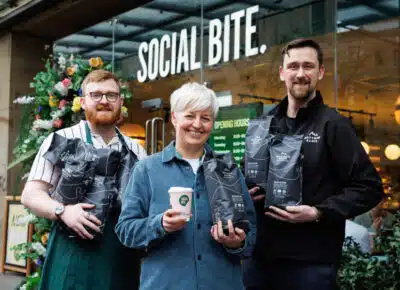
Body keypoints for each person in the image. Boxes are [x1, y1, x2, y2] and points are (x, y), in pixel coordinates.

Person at [243, 38, 383, 290]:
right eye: (293, 66)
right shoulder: (263, 125)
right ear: (281, 73)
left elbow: (369, 187)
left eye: (308, 66)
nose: (300, 74)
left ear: (320, 72)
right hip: (259, 261)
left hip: (311, 265)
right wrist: (244, 191)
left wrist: (319, 211)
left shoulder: (334, 125)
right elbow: (249, 176)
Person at [115, 82, 257, 290]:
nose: (197, 124)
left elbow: (251, 232)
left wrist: (237, 242)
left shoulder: (227, 169)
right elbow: (125, 230)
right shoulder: (147, 170)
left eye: (205, 118)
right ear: (174, 117)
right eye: (190, 116)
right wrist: (159, 224)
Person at [21, 69, 147, 290]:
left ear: (120, 101)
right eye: (96, 95)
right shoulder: (61, 139)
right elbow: (31, 195)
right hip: (71, 253)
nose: (104, 101)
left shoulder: (136, 150)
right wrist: (63, 211)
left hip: (120, 259)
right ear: (82, 101)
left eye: (111, 95)